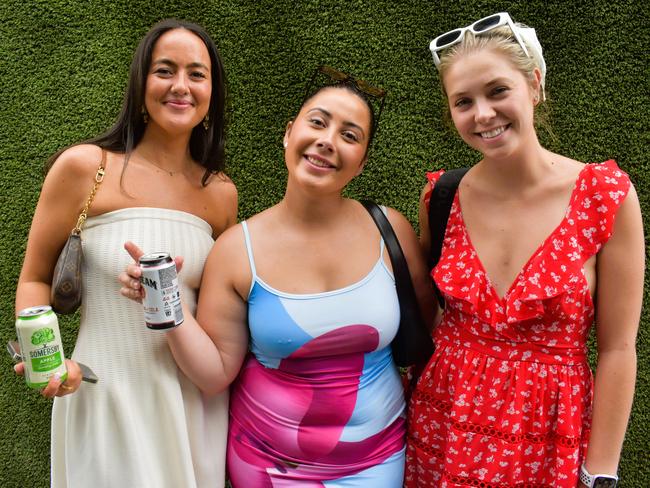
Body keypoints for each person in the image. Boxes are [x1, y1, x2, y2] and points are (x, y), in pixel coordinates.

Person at [120, 67, 434, 486]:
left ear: (362, 162)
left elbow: (433, 332)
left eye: (350, 134)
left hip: (377, 462)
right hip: (268, 468)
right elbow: (214, 373)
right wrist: (165, 302)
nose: (327, 140)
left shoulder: (390, 231)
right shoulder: (236, 250)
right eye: (318, 122)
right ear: (289, 133)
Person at [405, 12, 644, 488]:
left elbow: (618, 349)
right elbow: (426, 322)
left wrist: (600, 473)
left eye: (497, 91)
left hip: (549, 436)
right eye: (463, 102)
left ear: (533, 83)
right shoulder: (441, 197)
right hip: (442, 428)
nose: (483, 115)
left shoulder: (604, 196)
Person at [14, 19, 236, 488]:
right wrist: (48, 366)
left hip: (194, 404)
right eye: (165, 70)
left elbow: (223, 311)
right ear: (140, 86)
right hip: (106, 395)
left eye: (197, 74)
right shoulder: (84, 168)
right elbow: (34, 278)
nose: (181, 85)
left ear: (211, 94)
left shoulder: (220, 194)